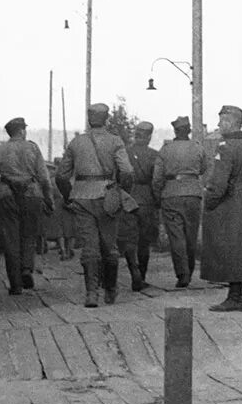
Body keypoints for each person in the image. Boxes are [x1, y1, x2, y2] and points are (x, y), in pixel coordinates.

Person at [55, 102, 133, 307]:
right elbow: (127, 171)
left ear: (90, 119)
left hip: (82, 198)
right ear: (106, 119)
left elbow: (61, 175)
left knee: (89, 247)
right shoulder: (115, 142)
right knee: (110, 246)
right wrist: (122, 192)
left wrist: (68, 196)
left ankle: (91, 294)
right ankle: (110, 290)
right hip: (108, 196)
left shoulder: (76, 143)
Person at [201, 104, 242, 311]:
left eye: (221, 120)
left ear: (231, 123)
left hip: (228, 201)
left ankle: (235, 297)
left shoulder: (225, 147)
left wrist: (209, 202)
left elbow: (218, 183)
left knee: (232, 250)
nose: (219, 124)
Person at [0, 117, 55, 295]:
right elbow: (45, 179)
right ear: (22, 131)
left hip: (6, 195)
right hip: (31, 194)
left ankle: (15, 284)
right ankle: (26, 268)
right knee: (29, 236)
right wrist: (49, 200)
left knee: (10, 241)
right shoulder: (32, 148)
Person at [153, 116, 207, 288]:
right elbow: (203, 168)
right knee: (191, 235)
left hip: (171, 194)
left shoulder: (165, 149)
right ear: (189, 130)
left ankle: (182, 274)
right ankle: (189, 271)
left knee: (176, 237)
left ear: (175, 131)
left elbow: (157, 178)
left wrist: (157, 195)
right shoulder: (198, 148)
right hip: (193, 194)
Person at [117, 121, 160, 292]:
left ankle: (133, 271)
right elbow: (156, 180)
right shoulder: (154, 155)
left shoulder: (125, 152)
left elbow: (120, 175)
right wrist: (158, 201)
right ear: (149, 136)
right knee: (144, 241)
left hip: (128, 198)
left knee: (129, 239)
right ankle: (141, 276)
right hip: (147, 200)